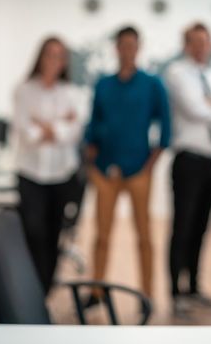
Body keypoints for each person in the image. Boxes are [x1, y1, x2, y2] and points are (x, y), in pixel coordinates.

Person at [84, 26, 171, 305]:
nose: (127, 50)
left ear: (138, 47)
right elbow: (93, 125)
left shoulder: (152, 84)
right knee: (102, 236)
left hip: (138, 171)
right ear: (116, 48)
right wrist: (91, 163)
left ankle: (146, 294)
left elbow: (165, 127)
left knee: (144, 235)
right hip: (105, 171)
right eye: (122, 45)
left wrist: (151, 165)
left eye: (132, 45)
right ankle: (97, 291)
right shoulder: (103, 84)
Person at [164, 22, 211, 317]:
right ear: (186, 44)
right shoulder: (177, 73)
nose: (200, 47)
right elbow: (194, 109)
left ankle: (194, 288)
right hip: (188, 160)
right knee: (182, 228)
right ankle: (174, 293)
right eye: (195, 41)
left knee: (201, 229)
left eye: (205, 42)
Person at [13, 36, 84, 295]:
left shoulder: (71, 93)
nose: (54, 60)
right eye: (49, 54)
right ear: (40, 57)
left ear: (64, 61)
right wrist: (59, 123)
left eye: (59, 56)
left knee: (54, 233)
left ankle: (45, 288)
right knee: (33, 231)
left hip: (62, 174)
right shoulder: (23, 90)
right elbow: (27, 134)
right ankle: (30, 285)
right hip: (30, 174)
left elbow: (73, 133)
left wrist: (44, 124)